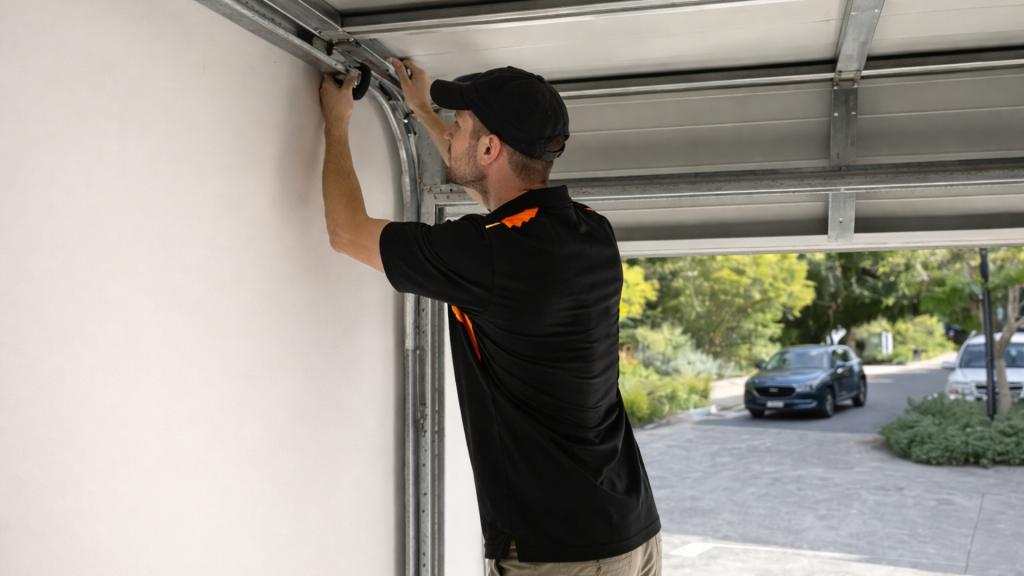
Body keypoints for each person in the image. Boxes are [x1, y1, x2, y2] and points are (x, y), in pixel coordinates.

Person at [319, 59, 662, 575]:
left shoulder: (490, 255)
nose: (449, 131)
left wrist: (336, 121)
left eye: (458, 125)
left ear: (490, 148)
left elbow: (346, 232)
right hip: (630, 529)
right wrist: (421, 110)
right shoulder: (591, 230)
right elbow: (491, 194)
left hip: (561, 552)